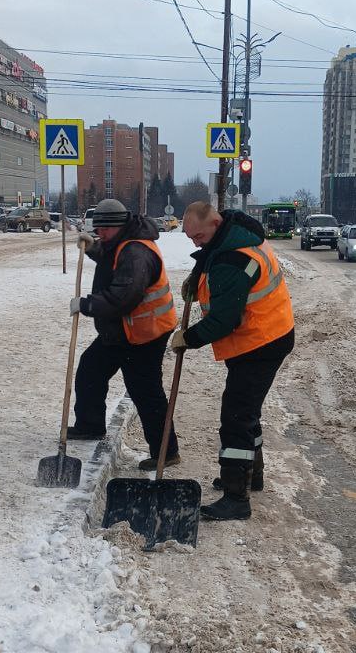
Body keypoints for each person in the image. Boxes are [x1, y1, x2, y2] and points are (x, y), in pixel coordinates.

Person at [174, 202, 295, 521]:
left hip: (261, 343)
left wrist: (188, 338)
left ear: (215, 223)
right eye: (190, 238)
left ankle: (236, 496)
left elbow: (224, 320)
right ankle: (252, 475)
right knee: (246, 409)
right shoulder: (234, 235)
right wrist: (198, 276)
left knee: (236, 417)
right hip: (266, 334)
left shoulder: (234, 258)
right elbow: (212, 257)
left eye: (198, 236)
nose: (195, 242)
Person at [68, 199, 180, 470]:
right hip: (122, 331)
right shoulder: (123, 242)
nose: (100, 234)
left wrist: (87, 305)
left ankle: (166, 452)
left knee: (145, 391)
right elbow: (112, 258)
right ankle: (90, 425)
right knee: (91, 369)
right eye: (97, 229)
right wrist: (94, 248)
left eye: (104, 230)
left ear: (119, 226)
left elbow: (122, 298)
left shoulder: (136, 253)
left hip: (144, 334)